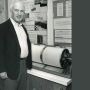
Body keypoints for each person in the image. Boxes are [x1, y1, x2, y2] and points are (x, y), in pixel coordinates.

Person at [0, 1, 32, 90]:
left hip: (23, 66)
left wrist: (28, 64)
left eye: (21, 11)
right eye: (16, 10)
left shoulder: (23, 28)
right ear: (11, 11)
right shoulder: (3, 27)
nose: (19, 13)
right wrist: (1, 69)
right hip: (10, 68)